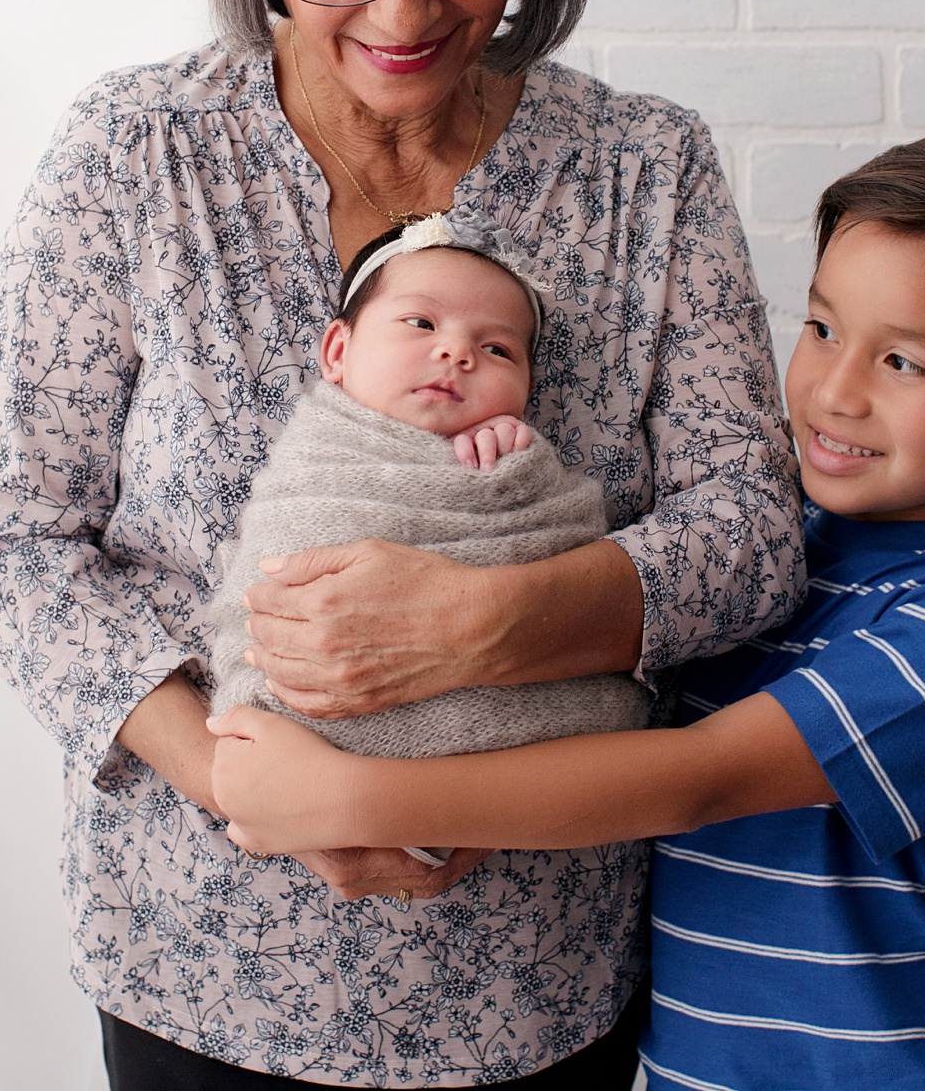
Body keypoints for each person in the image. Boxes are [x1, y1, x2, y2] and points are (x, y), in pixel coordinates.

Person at [0, 0, 803, 1089]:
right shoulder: (135, 156)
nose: (403, 9)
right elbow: (3, 539)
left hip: (541, 969)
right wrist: (248, 781)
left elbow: (751, 532)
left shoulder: (643, 168)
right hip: (201, 961)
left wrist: (494, 622)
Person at [210, 128, 925, 1091]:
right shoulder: (777, 557)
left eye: (902, 362)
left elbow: (695, 778)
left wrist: (347, 798)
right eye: (820, 329)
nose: (834, 390)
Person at [206, 216, 648, 767]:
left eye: (499, 351)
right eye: (421, 322)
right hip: (307, 756)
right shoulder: (316, 456)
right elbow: (270, 578)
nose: (458, 353)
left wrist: (517, 469)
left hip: (515, 772)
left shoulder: (515, 459)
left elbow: (565, 558)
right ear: (338, 351)